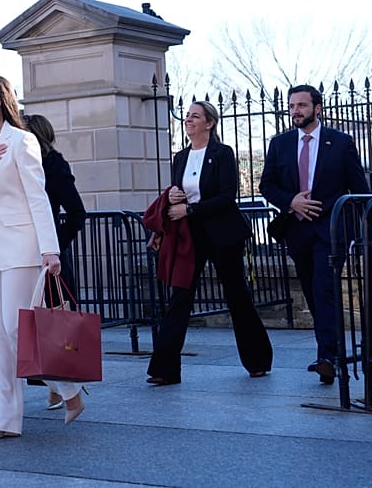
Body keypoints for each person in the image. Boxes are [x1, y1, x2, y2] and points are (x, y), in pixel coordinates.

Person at [0, 74, 85, 439]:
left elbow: (38, 198)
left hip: (22, 245)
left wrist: (50, 250)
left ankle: (70, 390)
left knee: (16, 327)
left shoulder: (22, 141)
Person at [144, 100, 273, 385]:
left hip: (222, 234)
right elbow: (179, 191)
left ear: (209, 123)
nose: (188, 120)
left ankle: (258, 360)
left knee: (236, 294)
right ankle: (165, 369)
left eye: (195, 116)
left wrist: (190, 209)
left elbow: (227, 196)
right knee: (180, 297)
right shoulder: (180, 157)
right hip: (189, 236)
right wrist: (175, 197)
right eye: (187, 116)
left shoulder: (223, 153)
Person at [259, 84, 369, 385]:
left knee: (324, 288)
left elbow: (360, 190)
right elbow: (266, 185)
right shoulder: (280, 144)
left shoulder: (341, 142)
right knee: (311, 289)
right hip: (296, 228)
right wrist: (291, 200)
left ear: (317, 108)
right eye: (292, 106)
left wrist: (358, 230)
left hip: (330, 229)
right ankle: (327, 356)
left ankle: (328, 357)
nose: (296, 111)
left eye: (302, 106)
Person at [22, 113, 87, 410]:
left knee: (54, 324)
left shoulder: (54, 166)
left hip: (50, 258)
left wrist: (53, 246)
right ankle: (56, 386)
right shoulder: (24, 165)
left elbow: (76, 212)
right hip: (23, 253)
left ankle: (65, 385)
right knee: (34, 324)